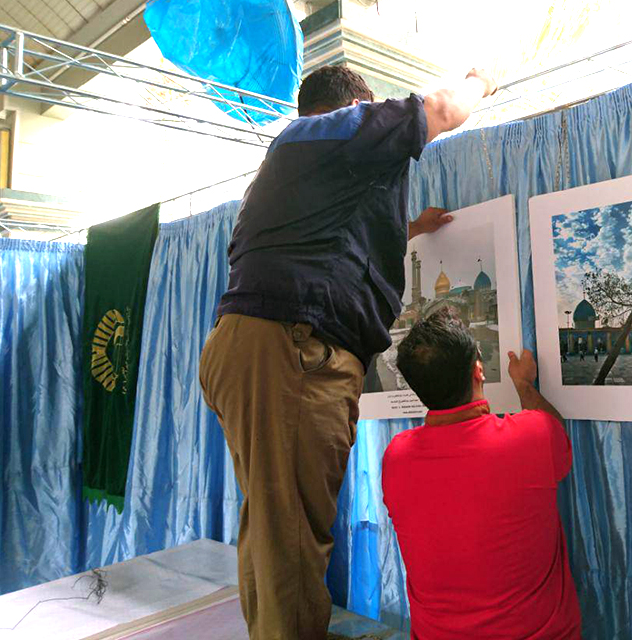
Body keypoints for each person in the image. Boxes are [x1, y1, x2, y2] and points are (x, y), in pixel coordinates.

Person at [199, 65, 497, 640]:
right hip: (292, 353)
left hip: (254, 348)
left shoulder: (292, 162)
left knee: (272, 528)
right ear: (356, 107)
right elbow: (441, 111)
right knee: (290, 542)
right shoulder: (336, 130)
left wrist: (410, 229)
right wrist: (479, 81)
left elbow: (337, 238)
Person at [382, 308, 581, 639]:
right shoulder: (530, 436)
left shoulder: (396, 457)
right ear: (479, 370)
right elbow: (557, 435)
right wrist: (523, 385)